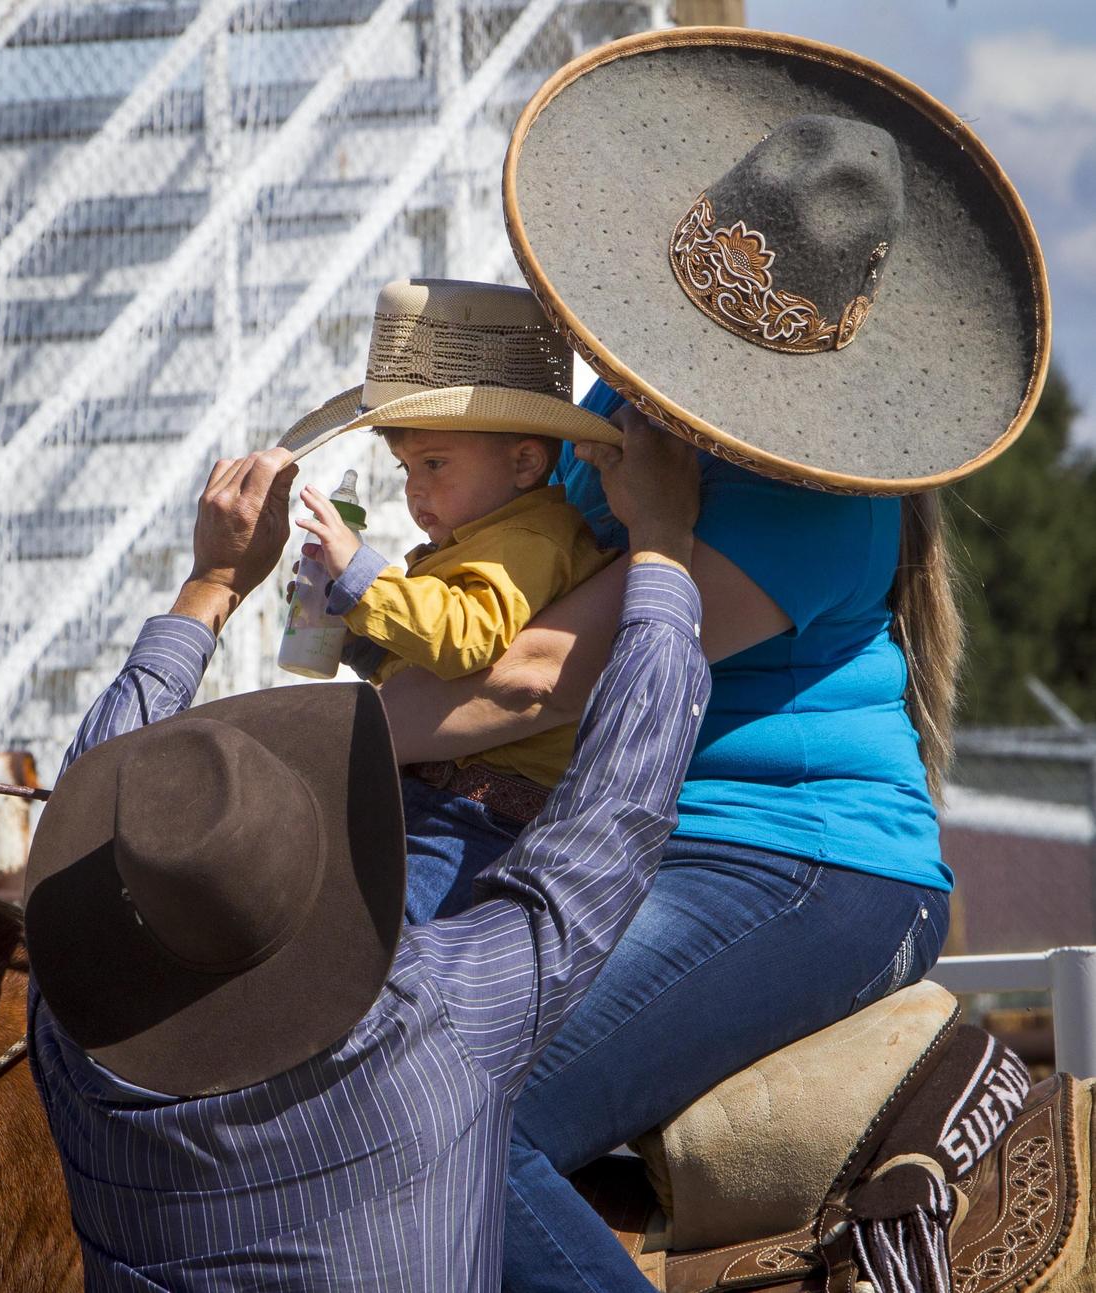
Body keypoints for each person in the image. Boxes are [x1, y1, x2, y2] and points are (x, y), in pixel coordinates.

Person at [375, 30, 1050, 1292]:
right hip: (640, 844)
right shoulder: (610, 422)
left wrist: (303, 744)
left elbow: (541, 678)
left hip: (801, 864)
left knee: (456, 1108)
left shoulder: (809, 495)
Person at [24, 426, 710, 1292]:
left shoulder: (69, 1042)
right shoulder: (437, 1024)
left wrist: (213, 581)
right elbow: (614, 814)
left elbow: (86, 806)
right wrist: (662, 545)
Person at [283, 277, 619, 921]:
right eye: (408, 469)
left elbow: (465, 637)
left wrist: (361, 576)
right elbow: (427, 658)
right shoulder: (482, 539)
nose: (415, 491)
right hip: (443, 798)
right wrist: (353, 628)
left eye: (434, 464)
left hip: (483, 817)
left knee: (381, 939)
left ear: (525, 464)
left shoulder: (528, 538)